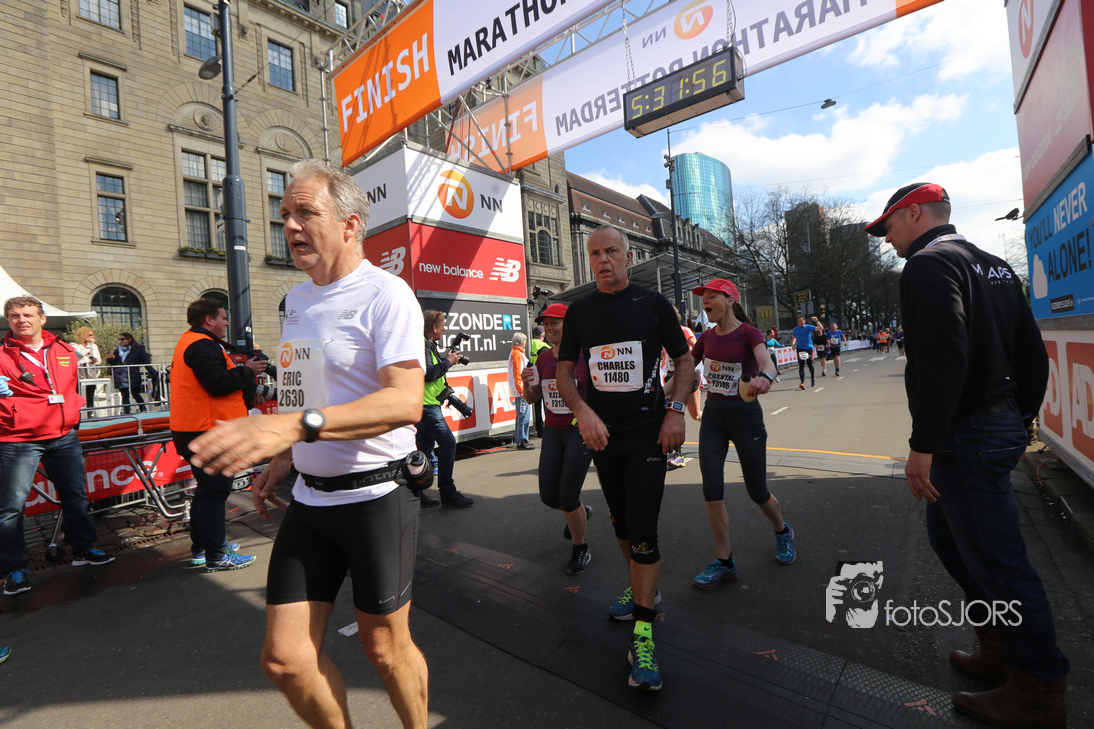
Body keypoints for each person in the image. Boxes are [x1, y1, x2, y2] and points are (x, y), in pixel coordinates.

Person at [185, 160, 430, 729]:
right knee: (286, 661)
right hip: (311, 499)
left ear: (350, 224)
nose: (290, 225)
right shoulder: (296, 300)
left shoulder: (387, 294)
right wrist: (283, 455)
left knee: (384, 649)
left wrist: (292, 429)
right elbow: (307, 393)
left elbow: (404, 403)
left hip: (377, 497)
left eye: (305, 213)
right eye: (285, 215)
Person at [866, 182, 1068, 727]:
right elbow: (1031, 350)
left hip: (965, 433)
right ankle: (1001, 649)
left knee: (1000, 566)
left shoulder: (927, 266)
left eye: (888, 226)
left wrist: (922, 444)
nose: (887, 239)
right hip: (994, 423)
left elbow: (942, 357)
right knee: (950, 539)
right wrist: (1020, 418)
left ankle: (1037, 691)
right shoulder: (995, 266)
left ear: (914, 214)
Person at [556, 224, 693, 692]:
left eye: (611, 251)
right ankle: (642, 590)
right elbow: (563, 371)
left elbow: (684, 361)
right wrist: (582, 412)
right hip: (604, 440)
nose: (603, 259)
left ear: (628, 256)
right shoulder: (580, 312)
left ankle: (643, 634)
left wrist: (675, 411)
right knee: (620, 527)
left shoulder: (652, 305)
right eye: (595, 253)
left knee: (643, 530)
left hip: (647, 436)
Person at [0, 296, 115, 596]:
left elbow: (72, 384)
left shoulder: (63, 350)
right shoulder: (1, 354)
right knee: (11, 507)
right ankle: (13, 569)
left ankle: (83, 549)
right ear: (8, 320)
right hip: (18, 438)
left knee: (75, 496)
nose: (21, 320)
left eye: (28, 314)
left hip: (63, 435)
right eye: (15, 315)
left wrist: (73, 408)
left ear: (42, 319)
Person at [690, 279, 795, 591]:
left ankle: (782, 531)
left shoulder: (750, 333)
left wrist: (765, 378)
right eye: (703, 297)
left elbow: (767, 364)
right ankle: (724, 563)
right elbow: (684, 372)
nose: (705, 301)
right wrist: (661, 397)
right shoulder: (705, 338)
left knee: (757, 490)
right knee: (711, 489)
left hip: (745, 418)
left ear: (730, 300)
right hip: (714, 418)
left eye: (712, 296)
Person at [169, 298, 266, 572]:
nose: (226, 322)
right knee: (213, 494)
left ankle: (205, 549)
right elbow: (217, 384)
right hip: (208, 430)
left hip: (197, 428)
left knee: (206, 492)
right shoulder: (202, 344)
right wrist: (247, 371)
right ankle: (217, 555)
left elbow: (210, 386)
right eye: (223, 317)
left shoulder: (191, 341)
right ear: (208, 319)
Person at [521, 303, 595, 575]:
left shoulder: (586, 356)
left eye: (555, 322)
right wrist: (526, 384)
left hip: (578, 432)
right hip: (552, 432)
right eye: (546, 323)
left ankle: (581, 548)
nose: (549, 328)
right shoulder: (543, 359)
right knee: (549, 497)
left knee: (568, 496)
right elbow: (533, 398)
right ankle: (581, 512)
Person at [416, 310, 474, 508]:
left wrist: (447, 361)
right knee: (448, 443)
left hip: (426, 405)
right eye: (442, 325)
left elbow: (433, 371)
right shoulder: (423, 344)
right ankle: (448, 493)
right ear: (434, 327)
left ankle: (416, 494)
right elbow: (429, 374)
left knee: (424, 450)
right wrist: (448, 361)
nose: (444, 329)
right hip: (427, 406)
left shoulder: (427, 344)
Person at [107, 332, 154, 413]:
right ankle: (127, 412)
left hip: (133, 374)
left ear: (129, 339)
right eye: (119, 339)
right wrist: (110, 359)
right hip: (121, 375)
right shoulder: (117, 350)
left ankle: (143, 408)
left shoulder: (138, 348)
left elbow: (145, 361)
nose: (121, 341)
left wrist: (153, 372)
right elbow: (113, 363)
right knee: (125, 395)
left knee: (135, 393)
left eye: (123, 339)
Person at [508, 332, 533, 450]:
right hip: (522, 390)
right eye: (525, 340)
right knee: (523, 416)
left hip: (521, 389)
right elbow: (517, 373)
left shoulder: (516, 353)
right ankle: (522, 441)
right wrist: (521, 390)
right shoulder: (517, 354)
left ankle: (522, 440)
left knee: (522, 416)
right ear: (522, 342)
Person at [71, 326, 102, 415]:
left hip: (91, 373)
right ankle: (79, 414)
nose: (91, 337)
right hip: (79, 374)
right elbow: (81, 354)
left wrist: (95, 359)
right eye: (89, 335)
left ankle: (89, 414)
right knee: (79, 395)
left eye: (92, 335)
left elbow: (99, 360)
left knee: (90, 395)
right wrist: (90, 346)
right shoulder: (73, 345)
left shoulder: (94, 346)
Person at [528, 324, 551, 439]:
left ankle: (539, 431)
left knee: (537, 407)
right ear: (543, 335)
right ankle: (548, 429)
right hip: (543, 378)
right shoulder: (545, 346)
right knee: (547, 405)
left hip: (533, 379)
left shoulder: (529, 343)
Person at [791, 315, 817, 390]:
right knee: (801, 365)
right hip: (800, 348)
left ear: (804, 321)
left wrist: (817, 321)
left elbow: (820, 328)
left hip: (809, 348)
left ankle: (813, 379)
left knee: (809, 364)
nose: (800, 322)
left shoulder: (808, 327)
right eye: (799, 321)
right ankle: (802, 383)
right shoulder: (795, 329)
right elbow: (794, 337)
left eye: (801, 321)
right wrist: (793, 344)